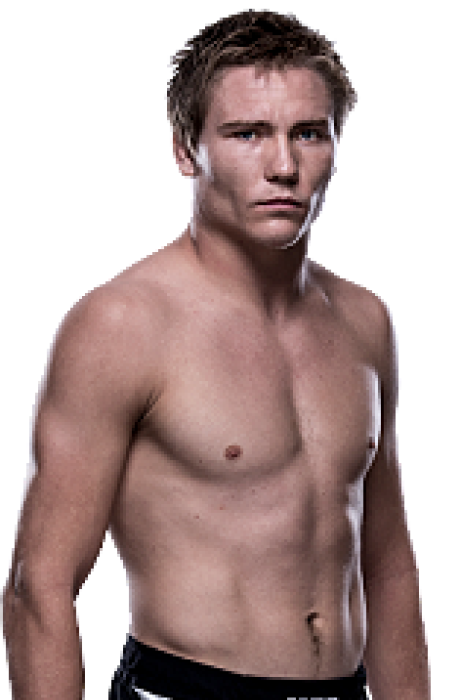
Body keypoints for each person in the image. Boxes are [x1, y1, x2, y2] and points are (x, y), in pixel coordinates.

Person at [2, 9, 430, 700]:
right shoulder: (122, 325)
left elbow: (386, 566)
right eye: (247, 134)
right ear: (185, 150)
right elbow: (40, 586)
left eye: (308, 133)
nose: (284, 166)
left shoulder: (364, 321)